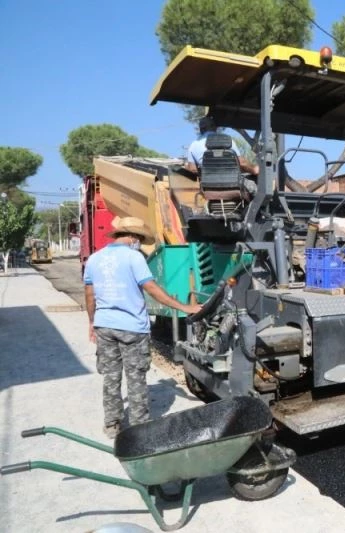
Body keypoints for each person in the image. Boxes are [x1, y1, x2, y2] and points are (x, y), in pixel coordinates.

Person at [83, 217, 203, 438]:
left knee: (111, 377)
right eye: (139, 239)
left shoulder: (94, 259)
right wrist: (184, 307)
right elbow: (152, 289)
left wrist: (92, 321)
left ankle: (112, 424)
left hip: (104, 326)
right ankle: (139, 429)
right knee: (136, 378)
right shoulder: (134, 257)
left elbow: (89, 295)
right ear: (133, 237)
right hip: (132, 328)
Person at [185, 116, 259, 175]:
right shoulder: (226, 140)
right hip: (231, 183)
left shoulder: (193, 145)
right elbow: (241, 162)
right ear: (214, 127)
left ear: (201, 129)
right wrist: (254, 169)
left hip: (207, 186)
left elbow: (192, 169)